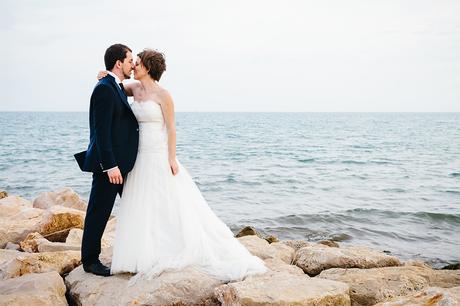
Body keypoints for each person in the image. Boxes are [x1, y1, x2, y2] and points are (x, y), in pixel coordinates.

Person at [99, 48, 267, 283]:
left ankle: (169, 246)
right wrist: (103, 75)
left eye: (137, 63)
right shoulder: (133, 88)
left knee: (167, 201)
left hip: (157, 154)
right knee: (142, 202)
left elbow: (171, 128)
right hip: (137, 156)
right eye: (132, 62)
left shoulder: (163, 95)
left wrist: (171, 158)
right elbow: (115, 86)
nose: (133, 66)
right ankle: (140, 252)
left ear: (148, 68)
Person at [74, 44, 139, 276]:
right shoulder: (104, 88)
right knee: (98, 212)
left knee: (135, 209)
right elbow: (100, 132)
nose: (133, 64)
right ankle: (90, 261)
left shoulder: (115, 85)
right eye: (130, 60)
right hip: (110, 167)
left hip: (123, 165)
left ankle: (139, 252)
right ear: (119, 63)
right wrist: (110, 165)